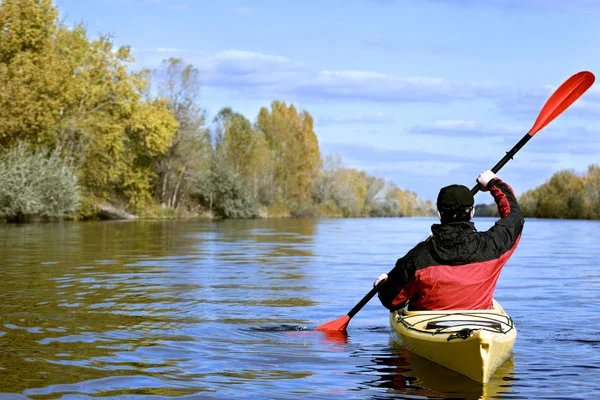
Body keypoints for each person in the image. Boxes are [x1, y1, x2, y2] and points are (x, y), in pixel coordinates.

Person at [374, 170, 524, 311]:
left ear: (439, 214)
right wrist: (494, 183)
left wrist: (382, 286)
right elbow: (514, 218)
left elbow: (391, 301)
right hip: (481, 324)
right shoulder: (493, 245)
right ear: (472, 212)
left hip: (430, 328)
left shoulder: (417, 257)